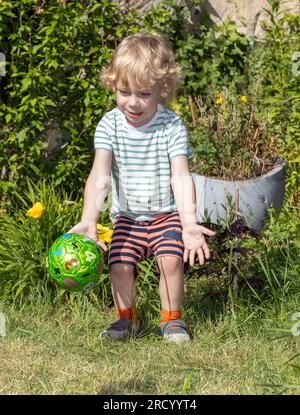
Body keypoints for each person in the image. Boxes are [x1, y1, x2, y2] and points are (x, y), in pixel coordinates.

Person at [68, 32, 215, 343]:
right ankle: (125, 319)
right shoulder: (109, 124)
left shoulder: (172, 126)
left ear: (162, 89)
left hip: (166, 216)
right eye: (124, 91)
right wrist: (88, 220)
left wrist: (189, 223)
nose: (132, 102)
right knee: (119, 263)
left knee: (171, 261)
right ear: (113, 85)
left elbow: (181, 176)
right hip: (127, 218)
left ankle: (171, 320)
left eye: (144, 94)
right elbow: (99, 175)